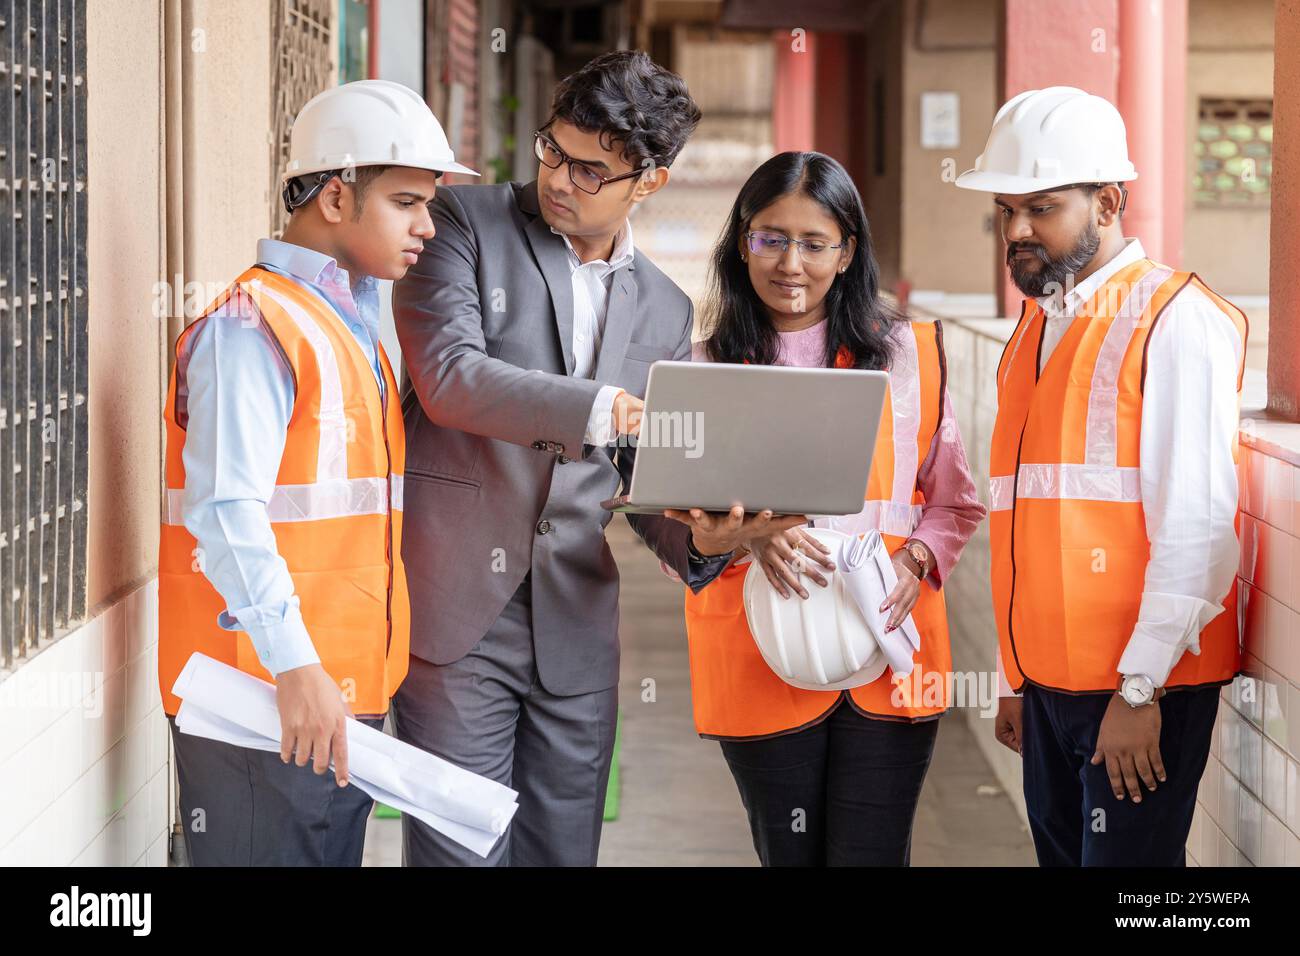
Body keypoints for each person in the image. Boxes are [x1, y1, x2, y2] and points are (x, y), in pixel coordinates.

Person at [390, 50, 806, 867]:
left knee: (563, 855)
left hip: (576, 627)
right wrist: (601, 408)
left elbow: (642, 483)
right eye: (553, 150)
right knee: (457, 854)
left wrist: (709, 542)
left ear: (647, 182)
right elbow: (450, 379)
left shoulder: (663, 305)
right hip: (456, 613)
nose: (558, 179)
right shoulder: (462, 226)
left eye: (590, 171)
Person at [156, 80, 472, 865]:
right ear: (336, 198)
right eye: (406, 201)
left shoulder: (346, 322)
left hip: (330, 698)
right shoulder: (252, 326)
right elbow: (226, 512)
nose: (428, 227)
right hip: (265, 699)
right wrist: (296, 665)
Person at [955, 87, 1248, 866]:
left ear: (1110, 201)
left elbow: (1200, 529)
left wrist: (1139, 691)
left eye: (1041, 208)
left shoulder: (1175, 318)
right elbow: (1026, 520)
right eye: (1007, 209)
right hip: (1051, 687)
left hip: (1137, 691)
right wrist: (1015, 678)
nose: (1016, 231)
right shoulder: (1037, 326)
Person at [673, 151, 986, 866]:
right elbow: (667, 520)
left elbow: (955, 503)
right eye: (770, 238)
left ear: (847, 252)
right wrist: (743, 537)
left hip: (890, 648)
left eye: (814, 243)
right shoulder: (699, 366)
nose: (791, 262)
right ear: (741, 244)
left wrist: (917, 555)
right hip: (758, 646)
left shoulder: (912, 356)